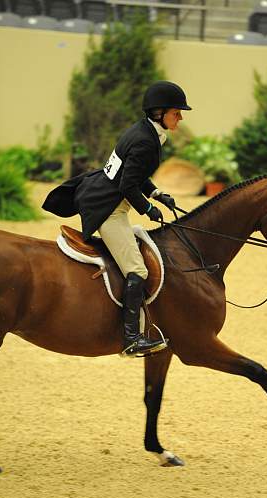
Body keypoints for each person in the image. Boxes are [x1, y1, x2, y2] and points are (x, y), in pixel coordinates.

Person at [43, 81, 192, 357]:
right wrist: (148, 209)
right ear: (160, 113)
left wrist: (158, 193)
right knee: (138, 270)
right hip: (107, 207)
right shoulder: (146, 140)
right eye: (176, 112)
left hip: (109, 196)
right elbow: (126, 186)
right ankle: (132, 337)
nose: (180, 117)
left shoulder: (146, 131)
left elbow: (134, 174)